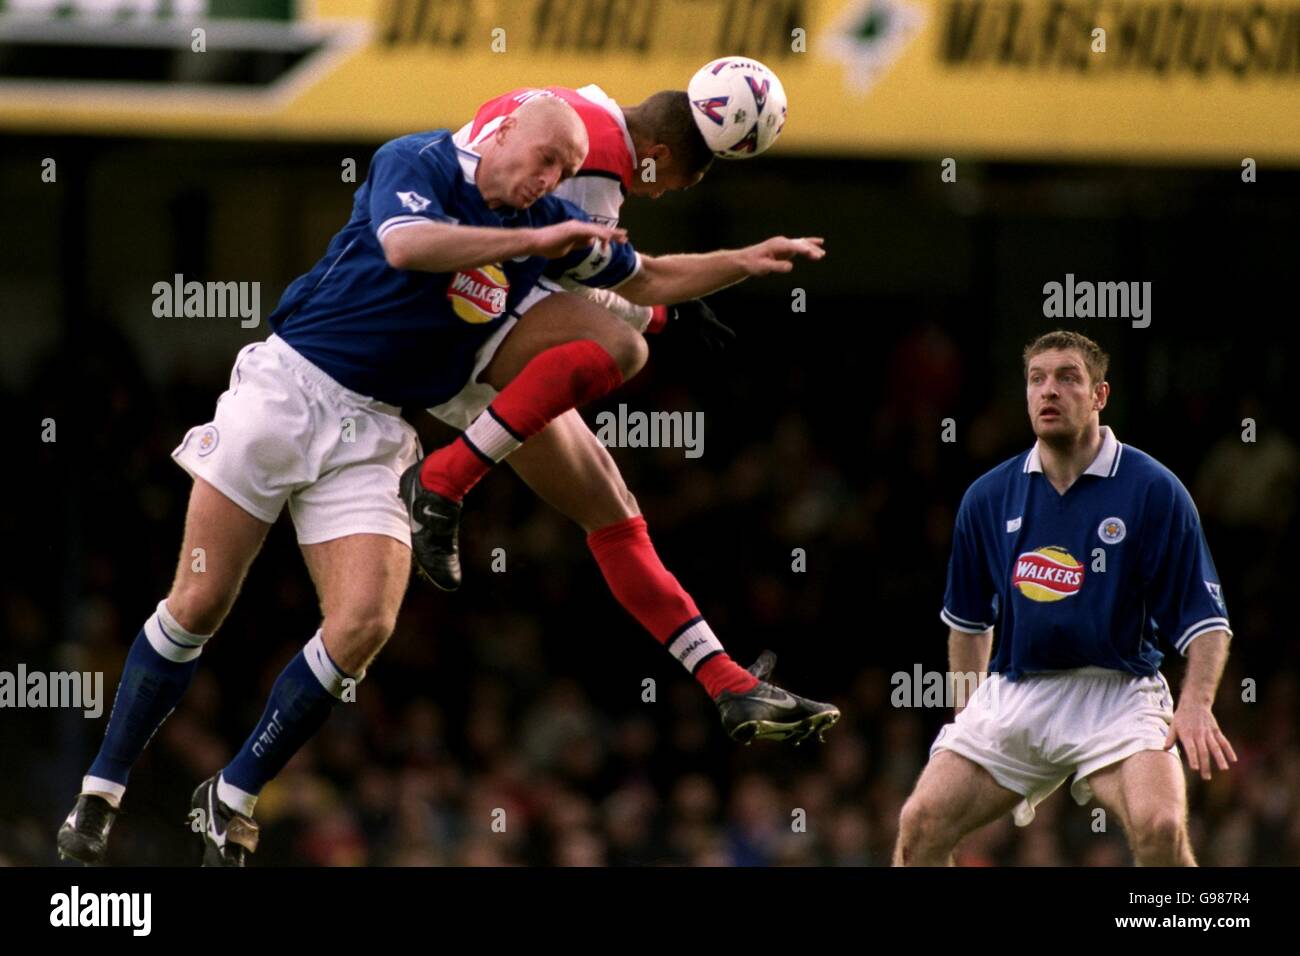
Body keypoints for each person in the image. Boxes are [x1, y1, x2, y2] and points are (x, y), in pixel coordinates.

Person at [893, 330, 1236, 866]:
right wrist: (968, 714)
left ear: (1100, 395)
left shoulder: (1153, 488)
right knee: (920, 824)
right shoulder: (986, 497)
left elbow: (1207, 621)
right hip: (1016, 693)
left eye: (1067, 378)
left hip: (1118, 694)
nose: (1048, 391)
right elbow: (967, 623)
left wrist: (1195, 706)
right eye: (1037, 379)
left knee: (1161, 827)